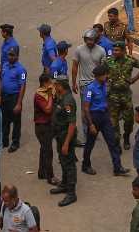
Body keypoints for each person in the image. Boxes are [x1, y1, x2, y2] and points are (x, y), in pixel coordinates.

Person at [106, 40, 139, 151]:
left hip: (126, 96)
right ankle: (117, 142)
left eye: (117, 50)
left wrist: (134, 79)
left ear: (123, 51)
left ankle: (126, 137)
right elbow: (101, 73)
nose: (114, 52)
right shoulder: (108, 61)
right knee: (113, 122)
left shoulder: (130, 60)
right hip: (113, 96)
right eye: (114, 50)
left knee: (129, 121)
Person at [48, 74, 78, 207]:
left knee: (69, 164)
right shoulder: (61, 97)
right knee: (63, 161)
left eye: (56, 84)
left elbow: (72, 124)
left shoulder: (68, 101)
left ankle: (71, 193)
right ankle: (65, 184)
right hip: (60, 136)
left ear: (61, 86)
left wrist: (66, 143)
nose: (54, 86)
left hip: (66, 138)